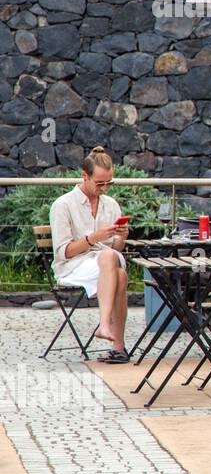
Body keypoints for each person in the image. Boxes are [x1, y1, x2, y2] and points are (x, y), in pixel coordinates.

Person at [48, 147, 130, 363]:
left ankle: (118, 348)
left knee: (116, 268)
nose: (104, 188)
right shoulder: (63, 205)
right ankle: (104, 326)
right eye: (99, 183)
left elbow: (117, 248)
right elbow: (63, 252)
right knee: (109, 259)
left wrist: (122, 235)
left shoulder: (111, 205)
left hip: (104, 265)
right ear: (85, 176)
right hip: (73, 265)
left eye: (108, 183)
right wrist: (94, 237)